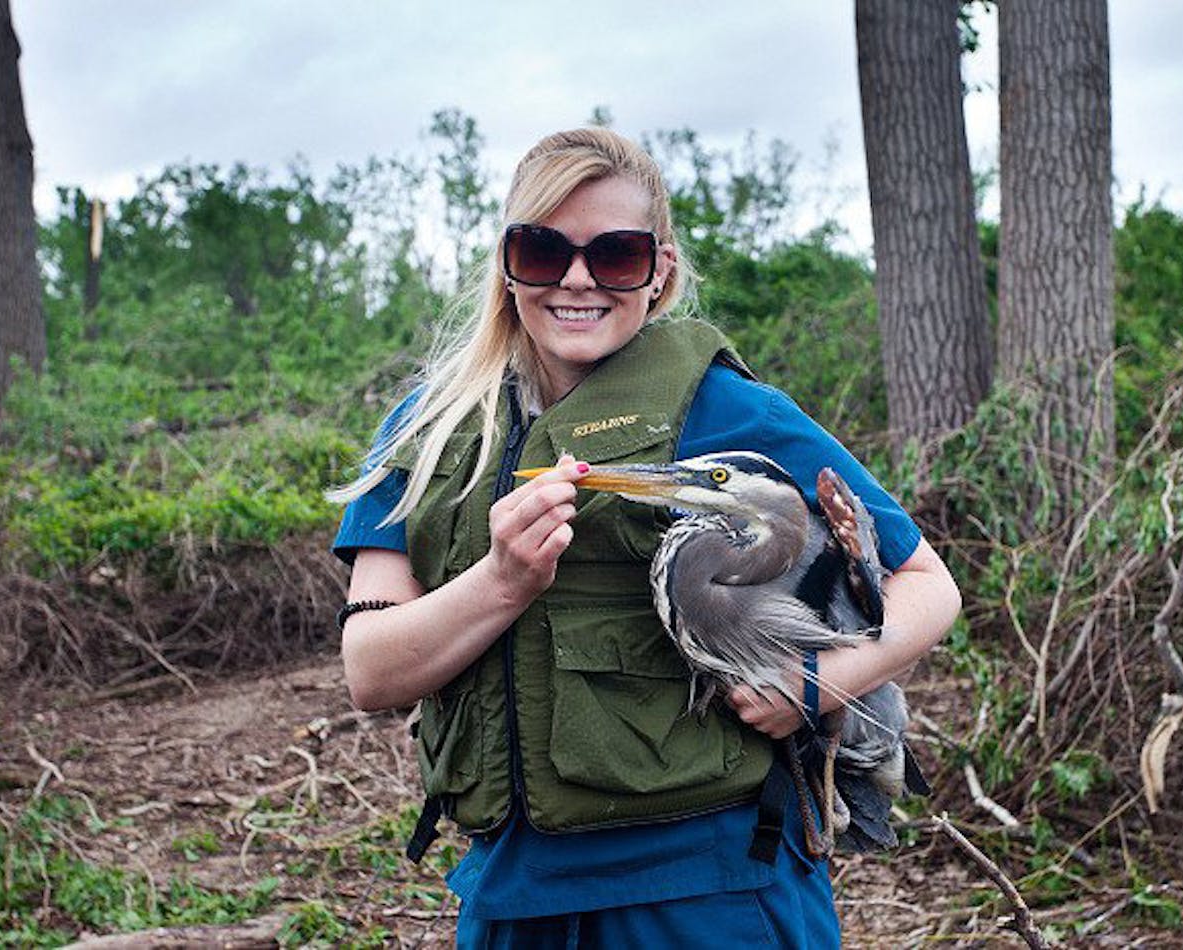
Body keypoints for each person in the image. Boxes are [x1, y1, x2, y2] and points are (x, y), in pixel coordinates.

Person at [329, 127, 961, 948]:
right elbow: (372, 671)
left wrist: (816, 682)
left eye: (616, 255)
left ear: (658, 270)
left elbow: (929, 584)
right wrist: (502, 582)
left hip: (715, 890)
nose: (578, 280)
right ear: (507, 262)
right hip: (509, 896)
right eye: (544, 249)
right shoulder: (425, 432)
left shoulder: (735, 414)